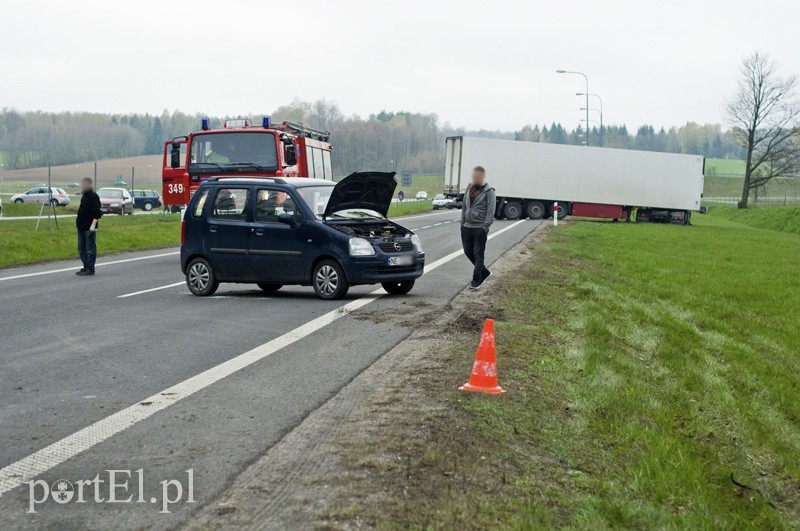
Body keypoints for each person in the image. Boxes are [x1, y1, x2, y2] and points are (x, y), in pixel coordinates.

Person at [460, 166, 496, 289]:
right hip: (466, 227)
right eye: (473, 176)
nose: (474, 178)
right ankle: (484, 272)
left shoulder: (489, 191)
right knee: (467, 251)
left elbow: (491, 211)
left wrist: (485, 227)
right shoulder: (469, 188)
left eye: (477, 176)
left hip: (479, 227)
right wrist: (462, 223)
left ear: (482, 176)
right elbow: (465, 206)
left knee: (478, 253)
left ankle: (477, 280)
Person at [75, 178, 102, 276]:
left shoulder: (93, 196)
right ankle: (86, 266)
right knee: (81, 248)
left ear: (90, 185)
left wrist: (93, 225)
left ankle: (90, 268)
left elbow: (97, 213)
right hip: (81, 226)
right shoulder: (84, 196)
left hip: (89, 227)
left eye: (85, 184)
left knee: (90, 248)